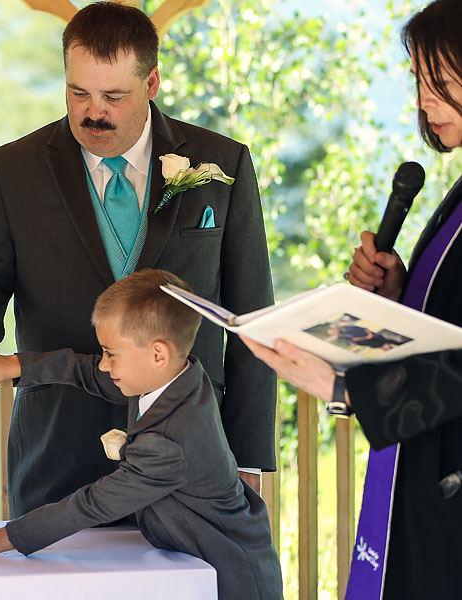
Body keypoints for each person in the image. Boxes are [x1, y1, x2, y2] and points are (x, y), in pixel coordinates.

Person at [0, 1, 276, 518]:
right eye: (78, 92)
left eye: (113, 96)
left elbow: (250, 317)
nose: (92, 112)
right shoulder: (13, 171)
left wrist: (249, 459)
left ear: (151, 84)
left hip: (192, 458)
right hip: (57, 457)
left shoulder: (222, 163)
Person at [242, 1, 462, 597]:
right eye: (418, 81)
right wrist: (400, 292)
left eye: (439, 82)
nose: (423, 102)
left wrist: (344, 387)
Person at [0, 270, 283, 600]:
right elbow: (87, 371)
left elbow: (90, 505)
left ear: (157, 354)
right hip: (190, 562)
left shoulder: (172, 440)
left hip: (229, 575)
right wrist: (14, 365)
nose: (103, 363)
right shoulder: (177, 377)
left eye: (111, 354)